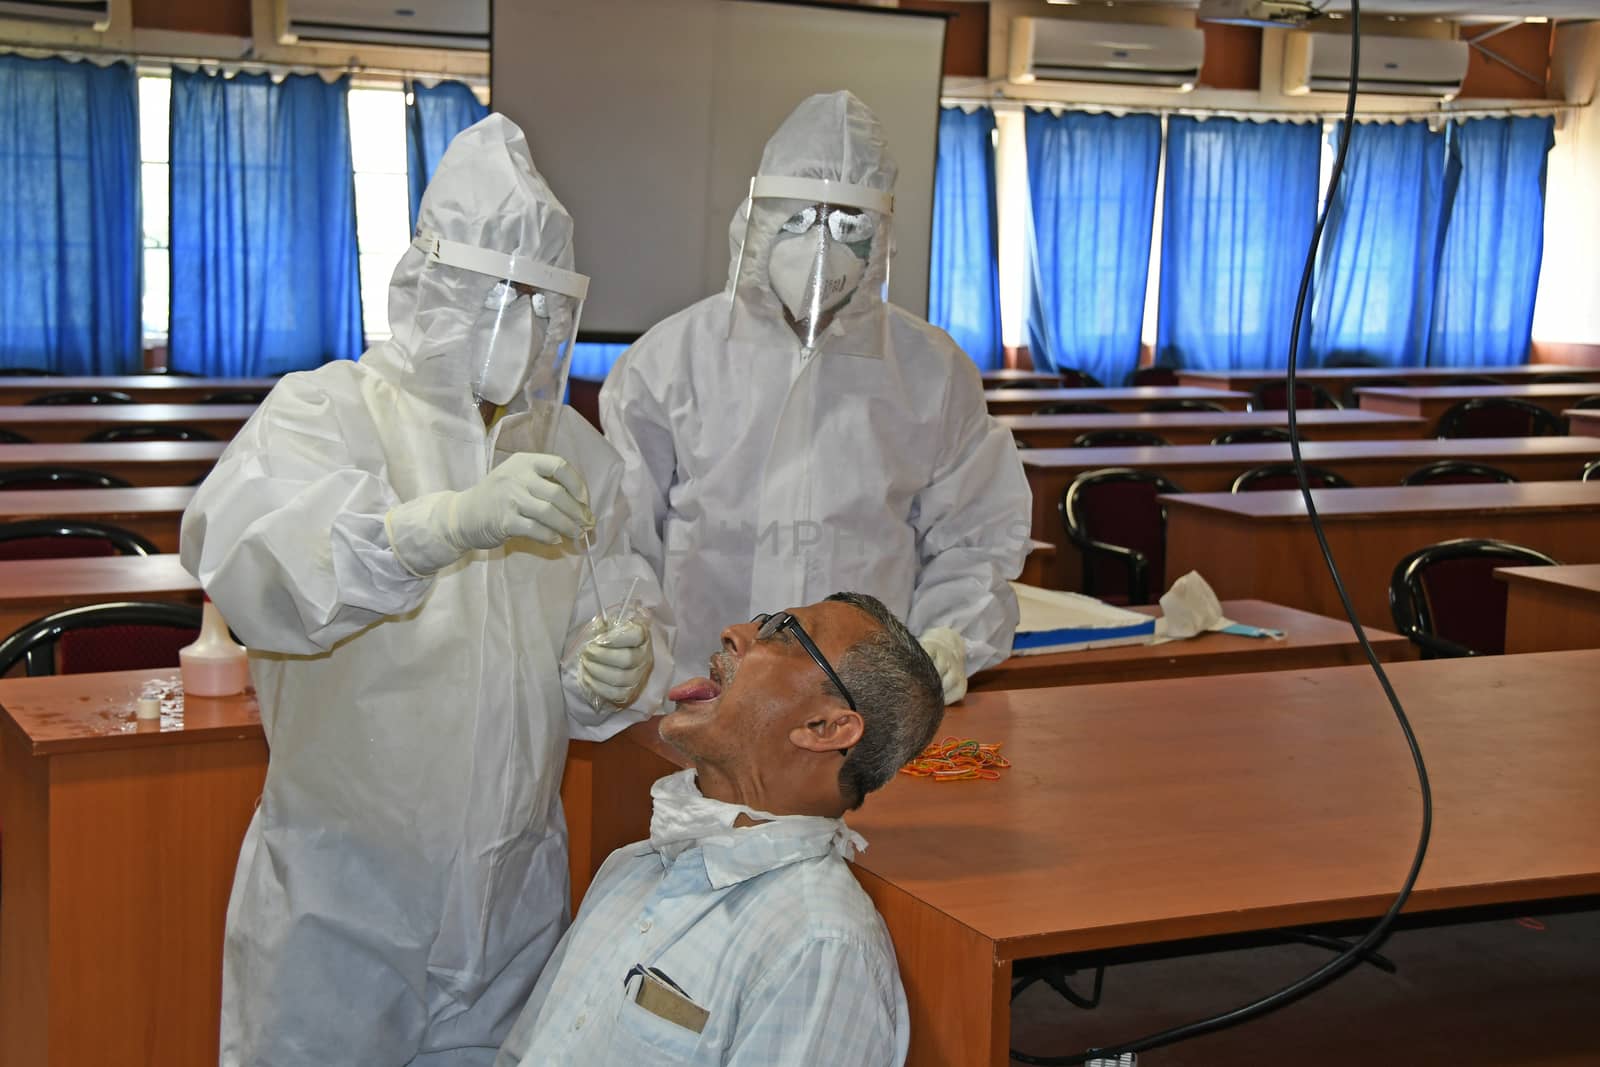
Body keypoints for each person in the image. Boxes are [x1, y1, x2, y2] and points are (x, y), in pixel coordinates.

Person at [180, 113, 673, 1066]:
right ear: (436, 286)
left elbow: (608, 614)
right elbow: (252, 568)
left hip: (512, 900)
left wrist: (611, 668)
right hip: (343, 907)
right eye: (499, 295)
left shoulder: (573, 453)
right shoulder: (329, 412)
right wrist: (439, 524)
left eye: (542, 302)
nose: (522, 328)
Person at [600, 90, 1031, 707]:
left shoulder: (929, 370)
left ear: (879, 239)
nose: (823, 248)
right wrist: (631, 644)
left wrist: (948, 636)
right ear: (761, 220)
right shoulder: (670, 361)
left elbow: (975, 537)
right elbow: (624, 538)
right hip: (699, 694)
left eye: (848, 226)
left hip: (863, 709)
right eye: (800, 219)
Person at [495, 592, 943, 1066]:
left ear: (824, 728)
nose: (735, 632)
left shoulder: (819, 945)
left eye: (782, 633)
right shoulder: (631, 866)